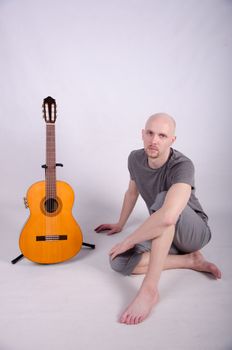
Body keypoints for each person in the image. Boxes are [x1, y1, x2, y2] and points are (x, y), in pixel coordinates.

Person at [95, 113, 221, 325]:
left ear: (172, 140)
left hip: (193, 232)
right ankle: (190, 260)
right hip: (165, 229)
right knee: (117, 261)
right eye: (150, 133)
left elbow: (170, 215)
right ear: (142, 134)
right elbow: (132, 193)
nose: (154, 140)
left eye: (162, 135)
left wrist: (130, 239)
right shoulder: (134, 158)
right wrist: (120, 224)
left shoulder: (182, 165)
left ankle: (149, 289)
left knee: (164, 201)